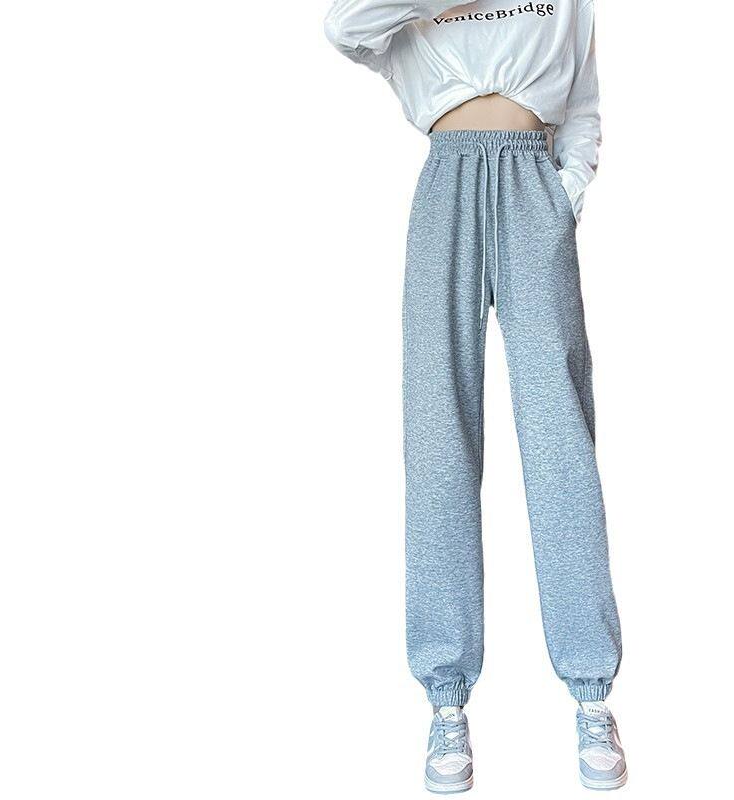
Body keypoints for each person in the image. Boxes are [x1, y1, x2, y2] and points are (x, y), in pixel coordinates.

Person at [323, 1, 626, 792]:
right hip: (447, 179)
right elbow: (344, 26)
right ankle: (446, 697)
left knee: (561, 439)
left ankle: (591, 690)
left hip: (533, 180)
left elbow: (583, 98)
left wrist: (566, 192)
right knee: (439, 438)